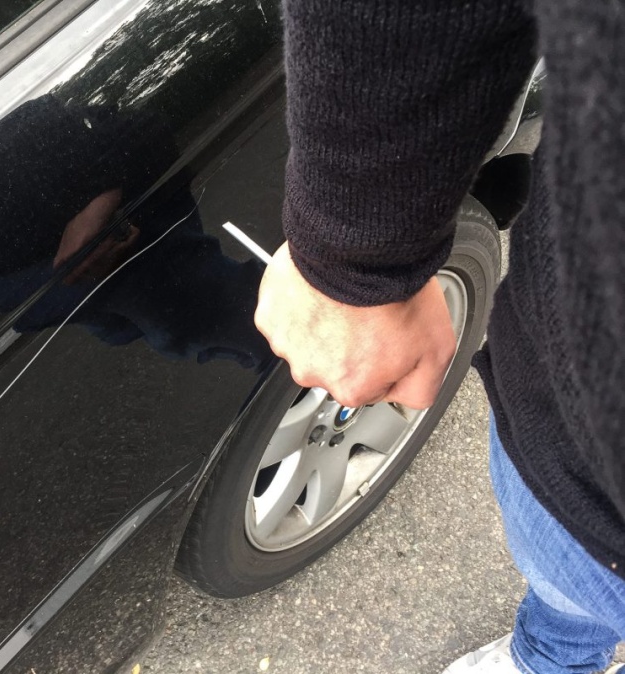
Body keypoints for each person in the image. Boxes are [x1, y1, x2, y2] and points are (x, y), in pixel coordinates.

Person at [254, 1, 625, 672]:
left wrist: (352, 256)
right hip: (581, 474)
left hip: (580, 466)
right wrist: (353, 257)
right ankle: (547, 658)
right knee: (564, 594)